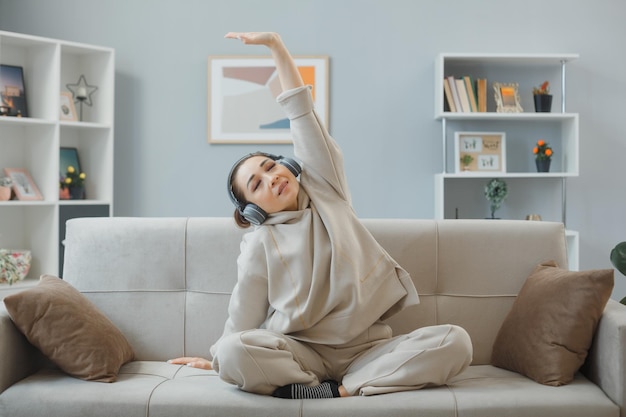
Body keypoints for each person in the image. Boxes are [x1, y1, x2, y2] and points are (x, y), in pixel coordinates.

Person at [169, 32, 472, 399]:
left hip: (368, 351)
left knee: (456, 342)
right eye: (257, 183)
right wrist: (218, 359)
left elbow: (302, 114)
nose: (271, 177)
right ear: (252, 209)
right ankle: (319, 387)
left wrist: (276, 47)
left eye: (270, 166)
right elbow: (242, 318)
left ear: (288, 165)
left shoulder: (327, 190)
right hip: (302, 356)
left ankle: (340, 390)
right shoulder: (258, 245)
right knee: (236, 351)